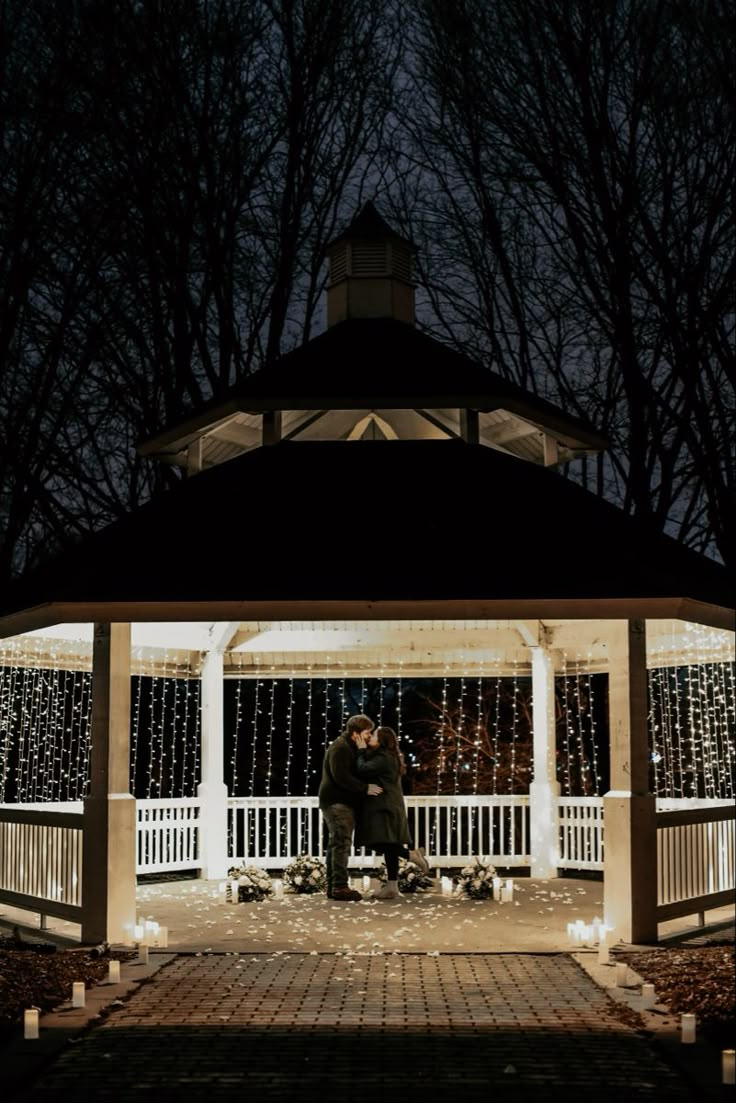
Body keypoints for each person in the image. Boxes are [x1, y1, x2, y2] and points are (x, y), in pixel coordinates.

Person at [353, 725, 430, 899]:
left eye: (374, 735)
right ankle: (392, 886)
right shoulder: (388, 756)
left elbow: (362, 770)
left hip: (383, 807)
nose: (370, 737)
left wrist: (361, 751)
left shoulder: (383, 758)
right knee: (389, 845)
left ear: (382, 740)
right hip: (388, 805)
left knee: (373, 841)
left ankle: (411, 855)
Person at [318, 713, 383, 901]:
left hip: (338, 802)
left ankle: (334, 886)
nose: (369, 736)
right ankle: (339, 887)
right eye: (367, 733)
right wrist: (364, 788)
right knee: (341, 843)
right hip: (337, 803)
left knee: (336, 843)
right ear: (356, 733)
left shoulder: (348, 746)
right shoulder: (341, 748)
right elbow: (341, 776)